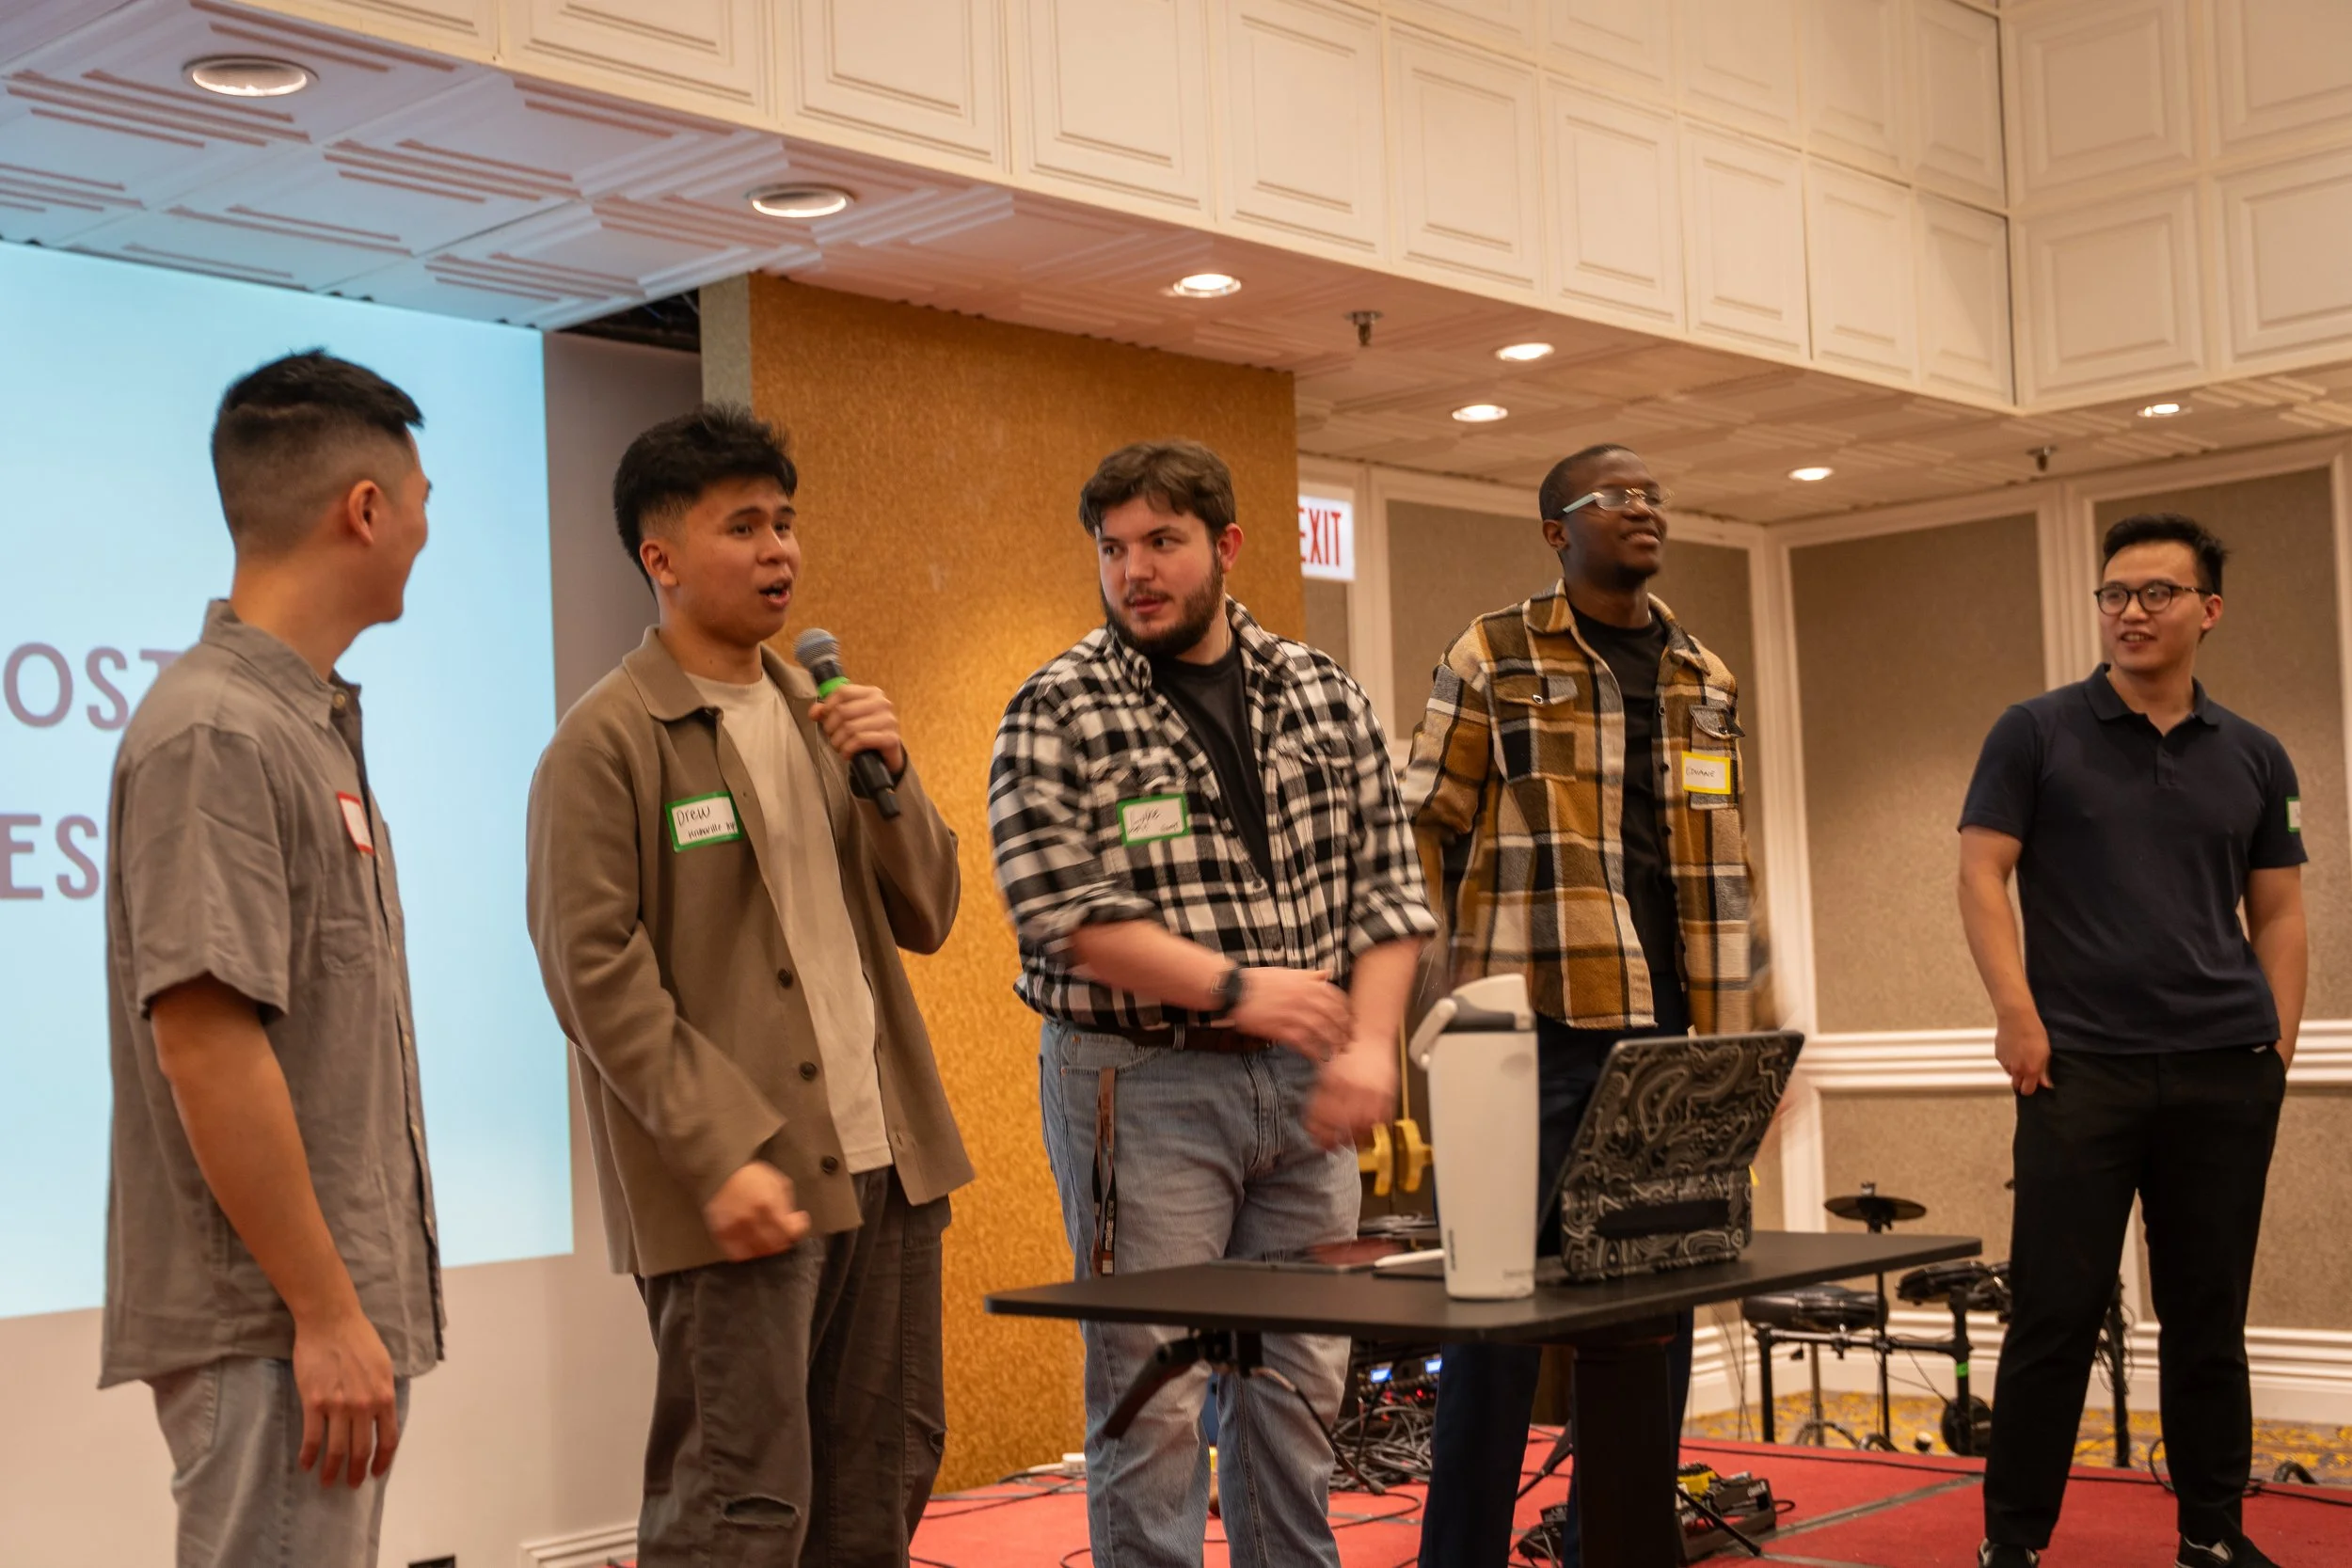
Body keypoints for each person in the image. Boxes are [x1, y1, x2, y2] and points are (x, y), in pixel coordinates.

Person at [524, 405, 972, 1566]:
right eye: (742, 527)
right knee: (740, 1505)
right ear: (659, 557)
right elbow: (592, 971)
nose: (779, 550)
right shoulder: (608, 740)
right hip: (746, 1185)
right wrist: (719, 1147)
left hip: (889, 1167)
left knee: (883, 1478)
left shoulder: (825, 717)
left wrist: (892, 776)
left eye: (784, 522)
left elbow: (931, 909)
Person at [988, 438, 1434, 1568]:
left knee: (1298, 1386)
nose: (1134, 570)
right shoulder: (1059, 703)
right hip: (1140, 1083)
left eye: (1162, 543)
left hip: (1307, 1090)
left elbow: (1389, 892)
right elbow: (1056, 905)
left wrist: (1373, 1043)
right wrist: (1241, 988)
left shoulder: (1324, 692)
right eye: (1113, 548)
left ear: (1226, 547)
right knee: (1157, 1392)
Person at [102, 351, 440, 1568]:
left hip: (305, 1316)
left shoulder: (305, 720)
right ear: (364, 508)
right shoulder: (216, 727)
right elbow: (204, 1036)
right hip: (270, 1322)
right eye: (420, 502)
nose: (420, 532)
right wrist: (326, 1306)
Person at [1405, 441, 1764, 1568]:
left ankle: (1623, 1547)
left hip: (1670, 1046)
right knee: (1495, 1330)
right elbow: (1422, 823)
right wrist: (1443, 999)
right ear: (1557, 529)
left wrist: (1750, 1020)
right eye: (1616, 498)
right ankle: (1456, 1556)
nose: (1644, 509)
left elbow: (1724, 859)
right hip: (1523, 1035)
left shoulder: (1705, 673)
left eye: (1655, 493)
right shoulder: (1495, 650)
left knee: (1652, 1322)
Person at [1960, 514, 2306, 1568]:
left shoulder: (2254, 754)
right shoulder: (2035, 731)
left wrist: (2274, 1054)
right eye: (2114, 594)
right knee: (2053, 1319)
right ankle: (2010, 1545)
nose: (2130, 612)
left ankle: (2210, 1531)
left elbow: (2280, 913)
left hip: (2223, 1071)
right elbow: (1981, 874)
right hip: (2079, 1073)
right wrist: (2017, 1015)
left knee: (2208, 1321)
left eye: (2155, 592)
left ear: (2207, 609)